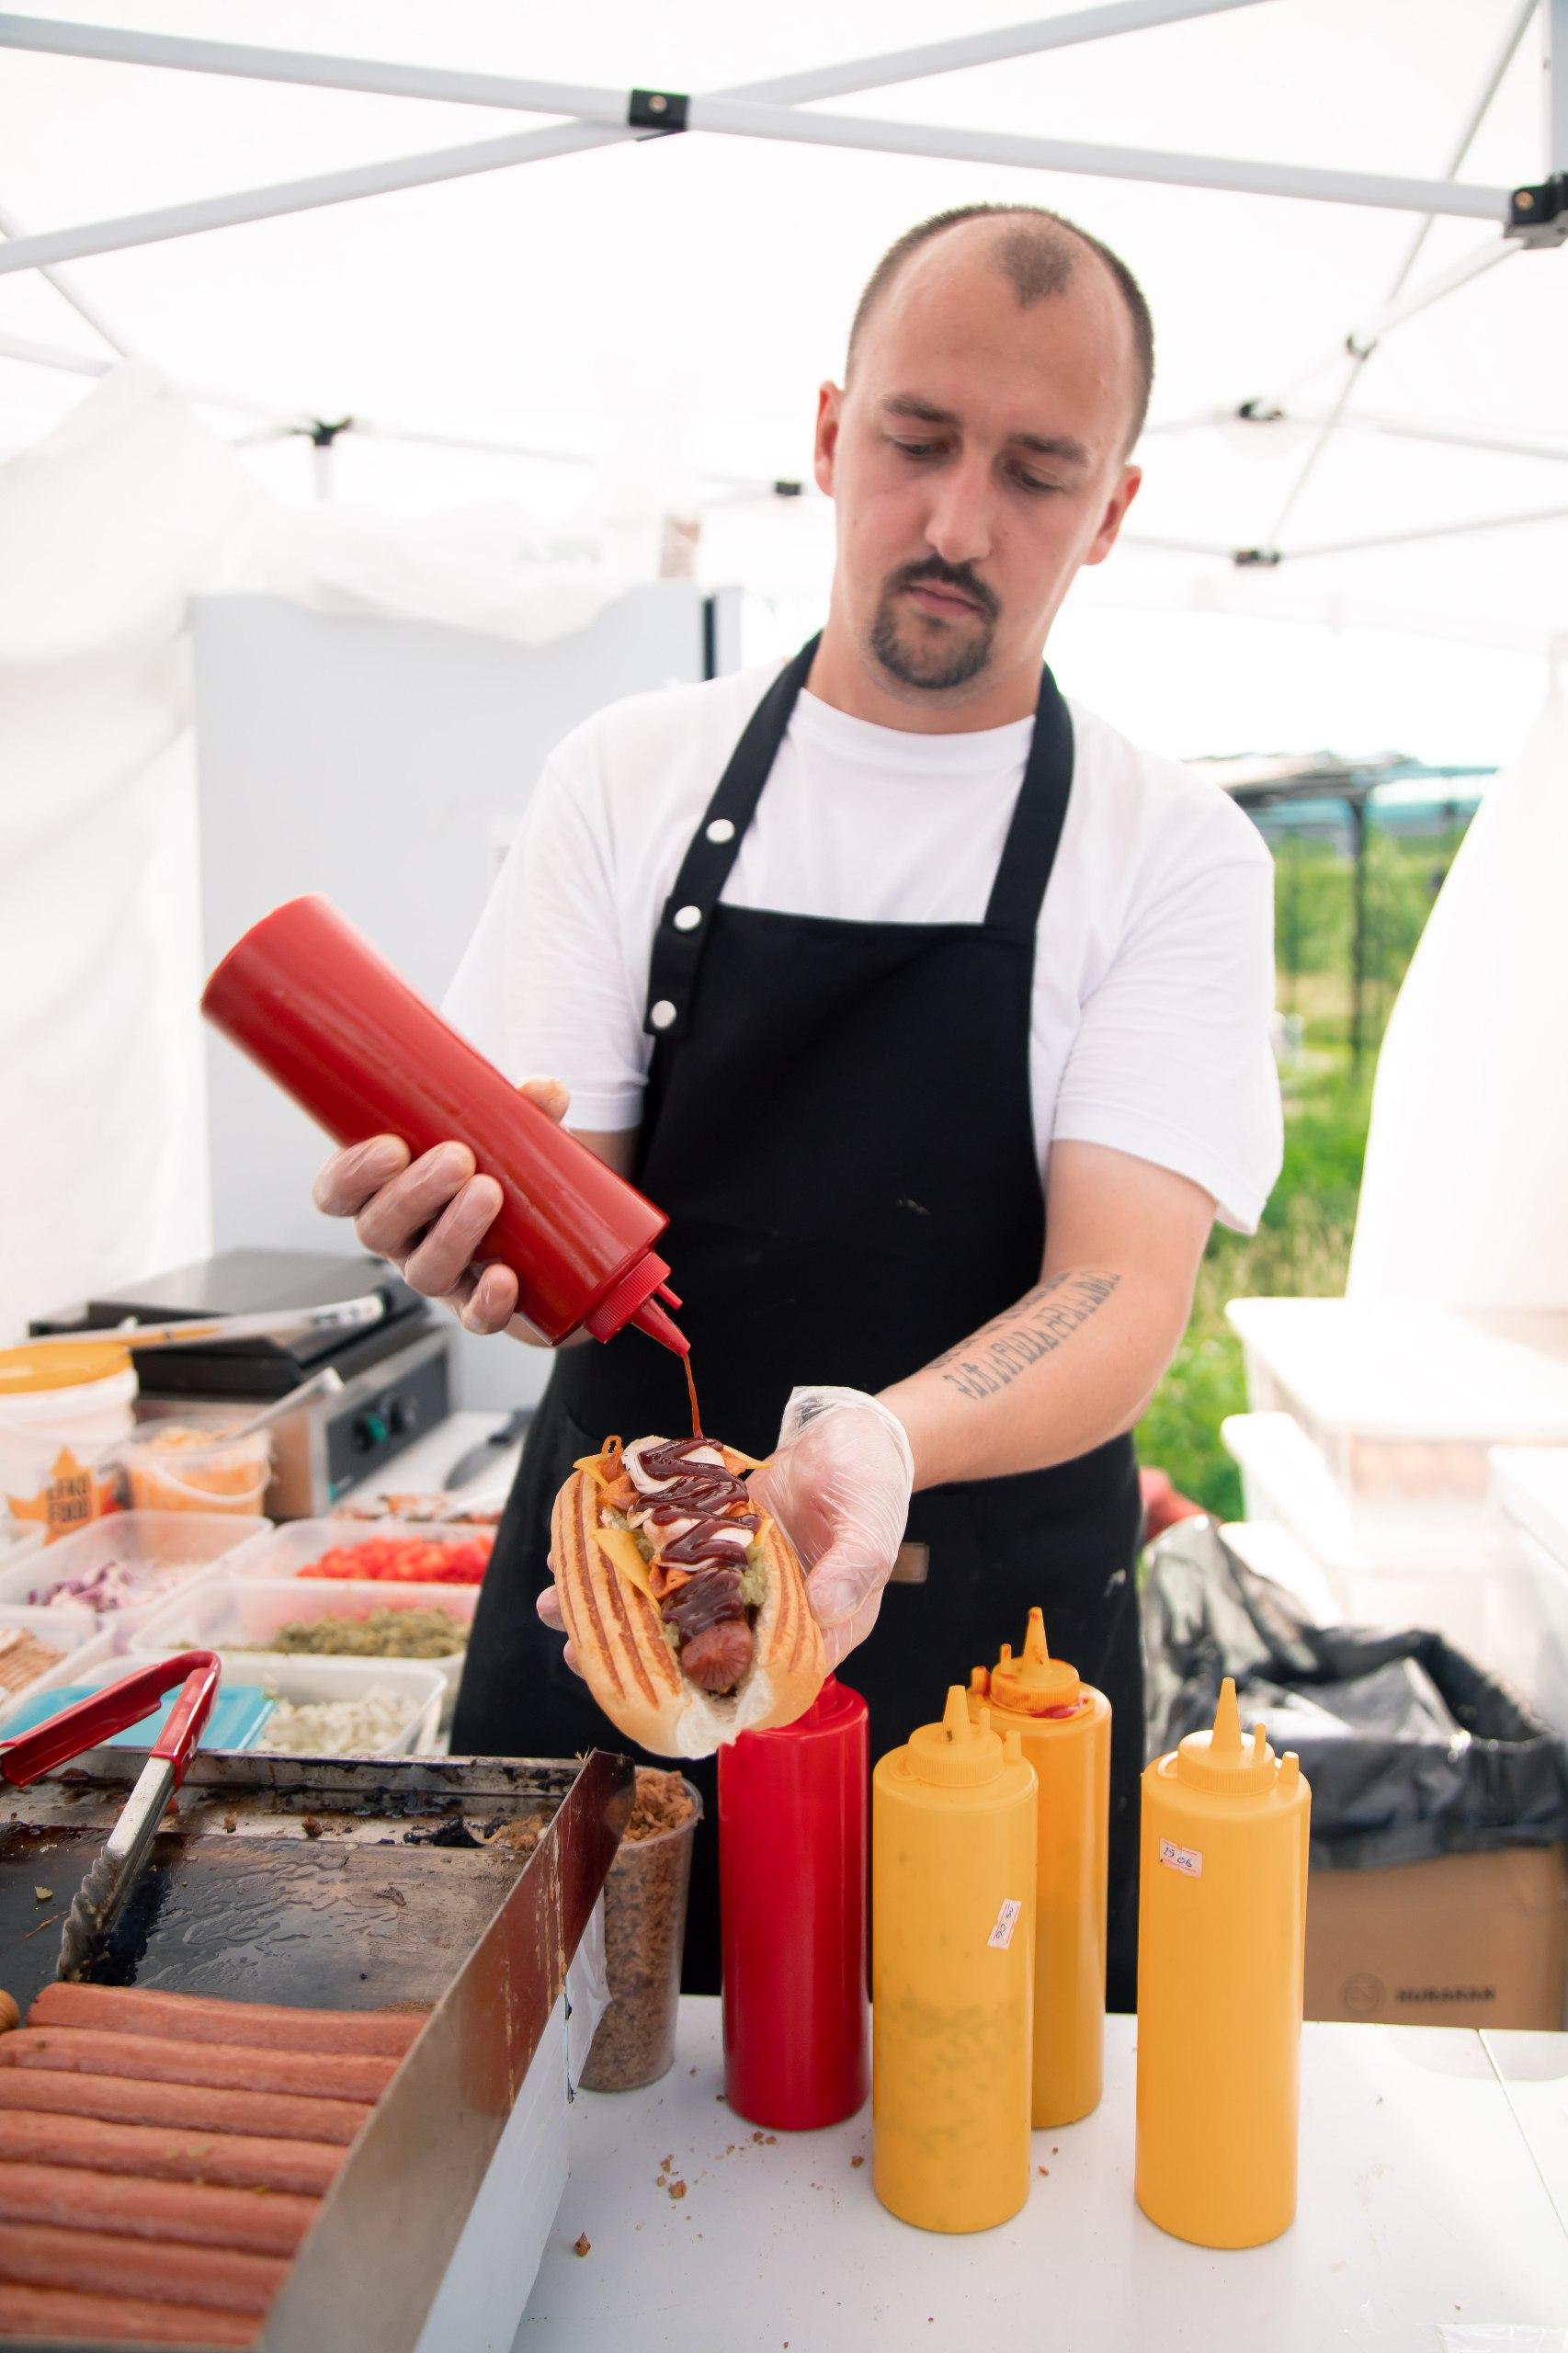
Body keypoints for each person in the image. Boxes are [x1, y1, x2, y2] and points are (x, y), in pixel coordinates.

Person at [312, 202, 1282, 2006]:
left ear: (1117, 507)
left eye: (1035, 473)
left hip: (988, 1678)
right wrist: (473, 1242)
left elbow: (1120, 1286)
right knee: (562, 2133)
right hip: (601, 1622)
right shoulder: (629, 777)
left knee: (979, 2178)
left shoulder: (1170, 851)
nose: (956, 522)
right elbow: (558, 1207)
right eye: (916, 442)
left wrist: (874, 1442)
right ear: (831, 432)